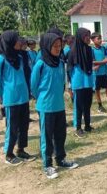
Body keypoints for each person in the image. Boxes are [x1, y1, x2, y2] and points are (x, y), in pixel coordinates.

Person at [31, 33, 78, 179]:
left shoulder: (59, 62)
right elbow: (33, 85)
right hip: (46, 106)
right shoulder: (40, 63)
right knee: (47, 136)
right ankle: (47, 165)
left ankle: (61, 159)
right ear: (46, 46)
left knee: (60, 134)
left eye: (60, 46)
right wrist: (42, 98)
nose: (58, 49)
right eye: (55, 46)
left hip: (59, 105)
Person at [0, 30, 36, 165]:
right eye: (17, 39)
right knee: (12, 127)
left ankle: (21, 150)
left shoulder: (19, 57)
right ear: (10, 42)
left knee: (24, 125)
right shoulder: (1, 59)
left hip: (23, 97)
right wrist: (1, 96)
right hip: (11, 99)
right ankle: (9, 153)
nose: (20, 42)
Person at [68, 28, 94, 138]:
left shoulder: (89, 49)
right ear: (80, 37)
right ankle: (78, 128)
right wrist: (70, 85)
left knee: (88, 104)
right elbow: (69, 68)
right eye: (86, 36)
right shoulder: (73, 51)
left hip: (88, 81)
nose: (88, 38)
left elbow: (90, 64)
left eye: (89, 35)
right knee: (78, 106)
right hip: (78, 83)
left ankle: (87, 125)